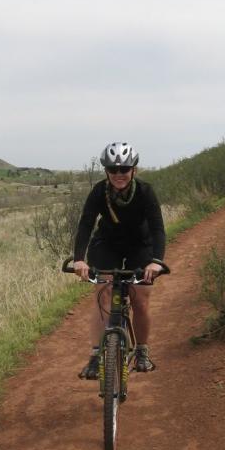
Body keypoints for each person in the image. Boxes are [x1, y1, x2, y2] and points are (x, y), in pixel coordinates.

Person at [72, 141, 167, 379]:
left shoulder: (145, 192)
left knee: (140, 297)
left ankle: (142, 352)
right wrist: (79, 260)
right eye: (112, 170)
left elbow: (157, 228)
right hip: (108, 243)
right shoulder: (99, 191)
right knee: (102, 292)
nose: (118, 175)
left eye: (123, 169)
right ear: (106, 171)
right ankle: (96, 355)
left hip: (140, 245)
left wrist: (156, 261)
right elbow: (85, 224)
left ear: (133, 170)